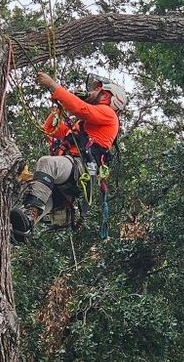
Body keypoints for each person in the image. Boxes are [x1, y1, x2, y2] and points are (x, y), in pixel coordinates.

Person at [10, 71, 127, 242]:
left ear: (107, 96)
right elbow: (51, 130)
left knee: (47, 163)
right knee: (49, 200)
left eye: (96, 90)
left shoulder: (109, 115)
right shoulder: (83, 124)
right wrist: (58, 108)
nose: (91, 92)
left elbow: (81, 108)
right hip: (71, 175)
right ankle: (23, 226)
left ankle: (30, 212)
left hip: (80, 168)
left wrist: (53, 85)